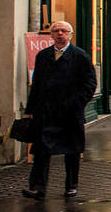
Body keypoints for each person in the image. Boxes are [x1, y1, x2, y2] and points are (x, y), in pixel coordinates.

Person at [21, 21, 97, 200]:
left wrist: (77, 103)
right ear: (51, 35)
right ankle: (38, 188)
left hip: (70, 112)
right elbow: (37, 84)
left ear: (70, 34)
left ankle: (71, 186)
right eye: (56, 31)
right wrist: (31, 109)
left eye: (64, 31)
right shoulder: (43, 56)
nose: (60, 34)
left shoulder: (80, 56)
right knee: (41, 151)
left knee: (71, 150)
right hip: (45, 112)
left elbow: (90, 84)